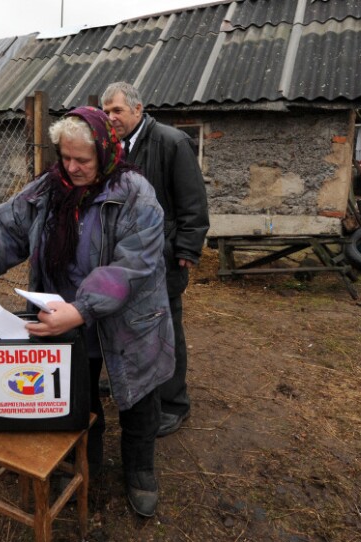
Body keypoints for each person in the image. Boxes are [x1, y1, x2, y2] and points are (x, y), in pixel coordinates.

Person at [0, 106, 175, 517]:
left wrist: (83, 307)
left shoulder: (135, 194)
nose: (70, 168)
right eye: (65, 157)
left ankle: (140, 472)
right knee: (79, 395)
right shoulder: (48, 188)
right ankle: (81, 466)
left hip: (128, 319)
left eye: (82, 161)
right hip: (65, 317)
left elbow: (132, 265)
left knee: (139, 398)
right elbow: (5, 226)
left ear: (107, 153)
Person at [101, 81, 210, 437]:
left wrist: (187, 250)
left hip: (163, 255)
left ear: (138, 108)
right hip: (125, 257)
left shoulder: (171, 142)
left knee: (166, 327)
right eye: (106, 111)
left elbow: (193, 202)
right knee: (126, 321)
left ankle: (174, 403)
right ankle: (132, 381)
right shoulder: (112, 147)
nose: (111, 117)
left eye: (117, 110)